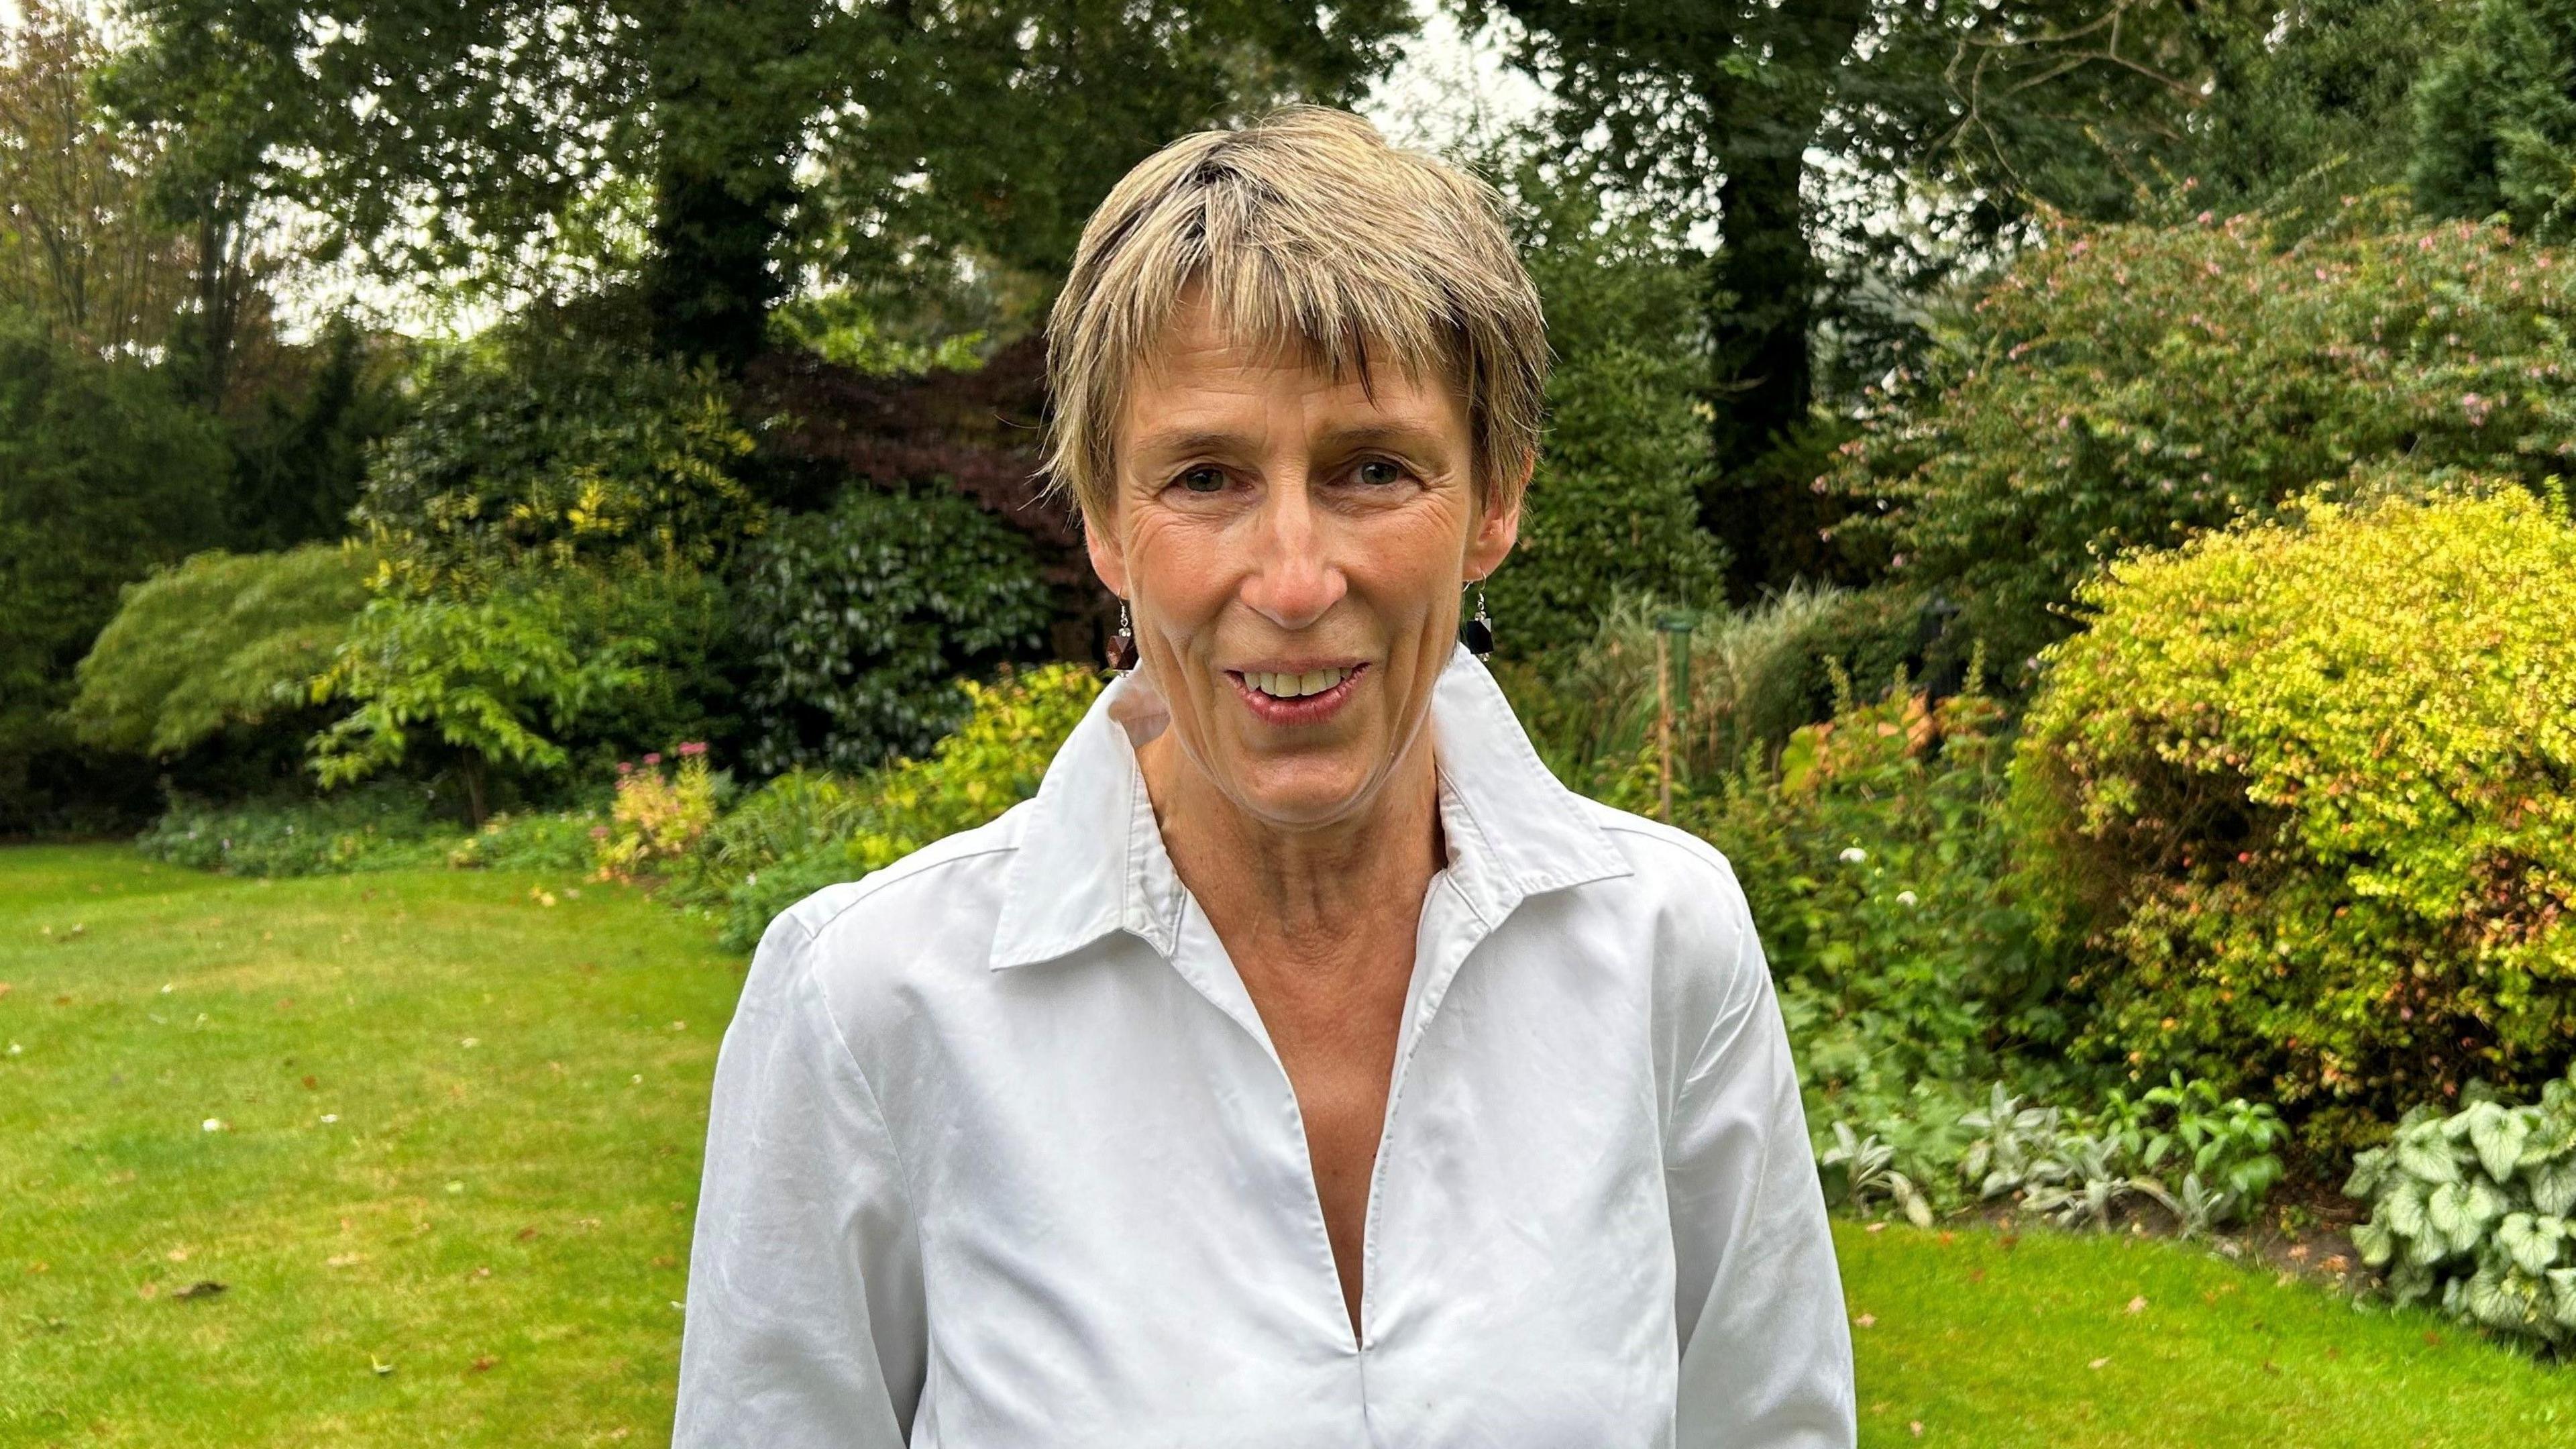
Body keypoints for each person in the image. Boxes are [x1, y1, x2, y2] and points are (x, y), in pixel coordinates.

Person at [673, 104, 1856, 1448]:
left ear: (1497, 501)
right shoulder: (874, 1008)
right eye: (1207, 476)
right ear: (1109, 525)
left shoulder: (1665, 947)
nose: (1294, 581)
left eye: (1371, 469)